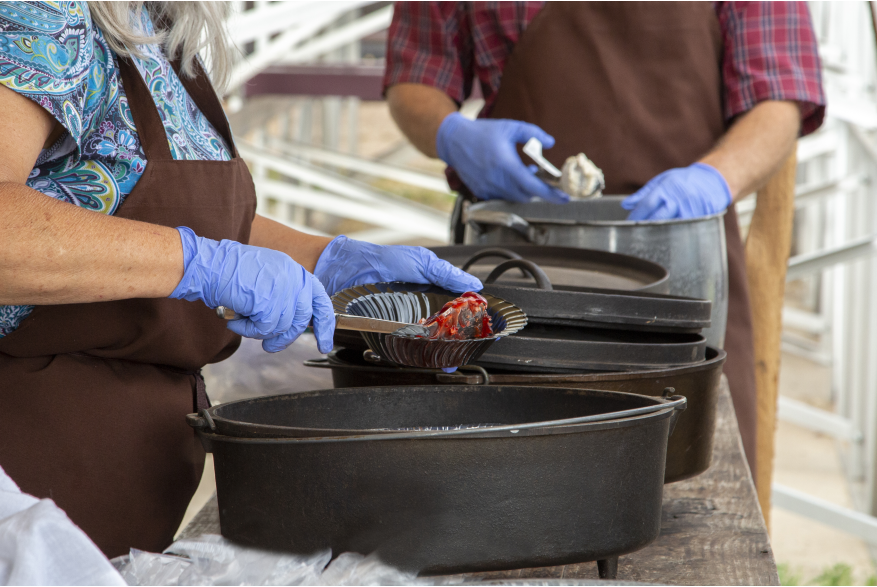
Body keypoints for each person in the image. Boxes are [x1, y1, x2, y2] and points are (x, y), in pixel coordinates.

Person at [0, 1, 481, 558]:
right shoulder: (39, 13)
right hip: (34, 465)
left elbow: (177, 216)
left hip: (122, 475)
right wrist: (199, 264)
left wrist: (325, 259)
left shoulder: (147, 22)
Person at [384, 1, 826, 478]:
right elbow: (415, 77)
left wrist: (716, 179)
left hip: (684, 274)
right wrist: (451, 134)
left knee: (695, 472)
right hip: (521, 274)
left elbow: (780, 98)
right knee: (507, 480)